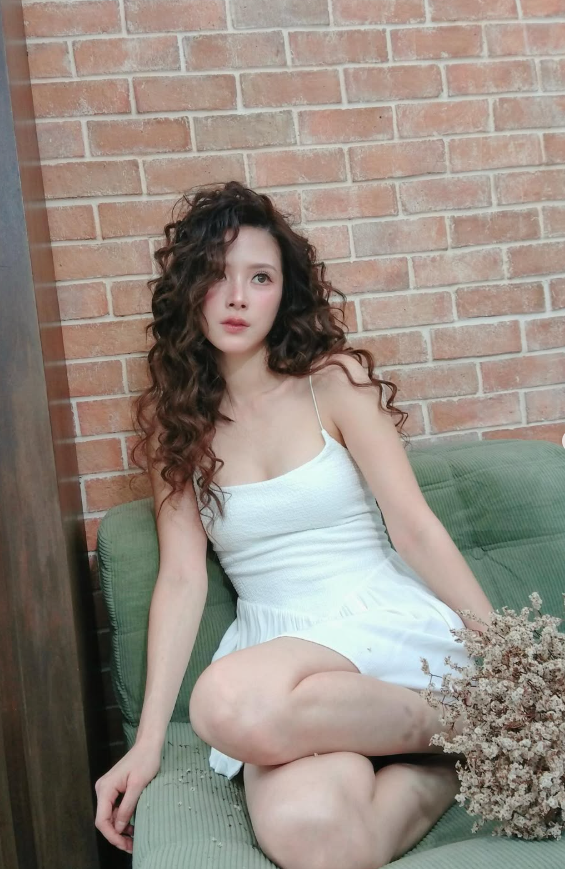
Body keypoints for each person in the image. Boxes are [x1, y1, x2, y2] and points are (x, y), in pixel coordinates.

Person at [94, 180, 494, 866]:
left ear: (285, 294)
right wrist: (148, 741)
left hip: (378, 623)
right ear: (189, 290)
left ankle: (479, 715)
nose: (238, 297)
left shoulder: (332, 380)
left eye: (260, 277)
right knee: (314, 838)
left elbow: (414, 528)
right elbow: (183, 578)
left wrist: (505, 655)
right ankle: (452, 762)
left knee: (222, 701)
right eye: (217, 276)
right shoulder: (177, 423)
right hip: (279, 657)